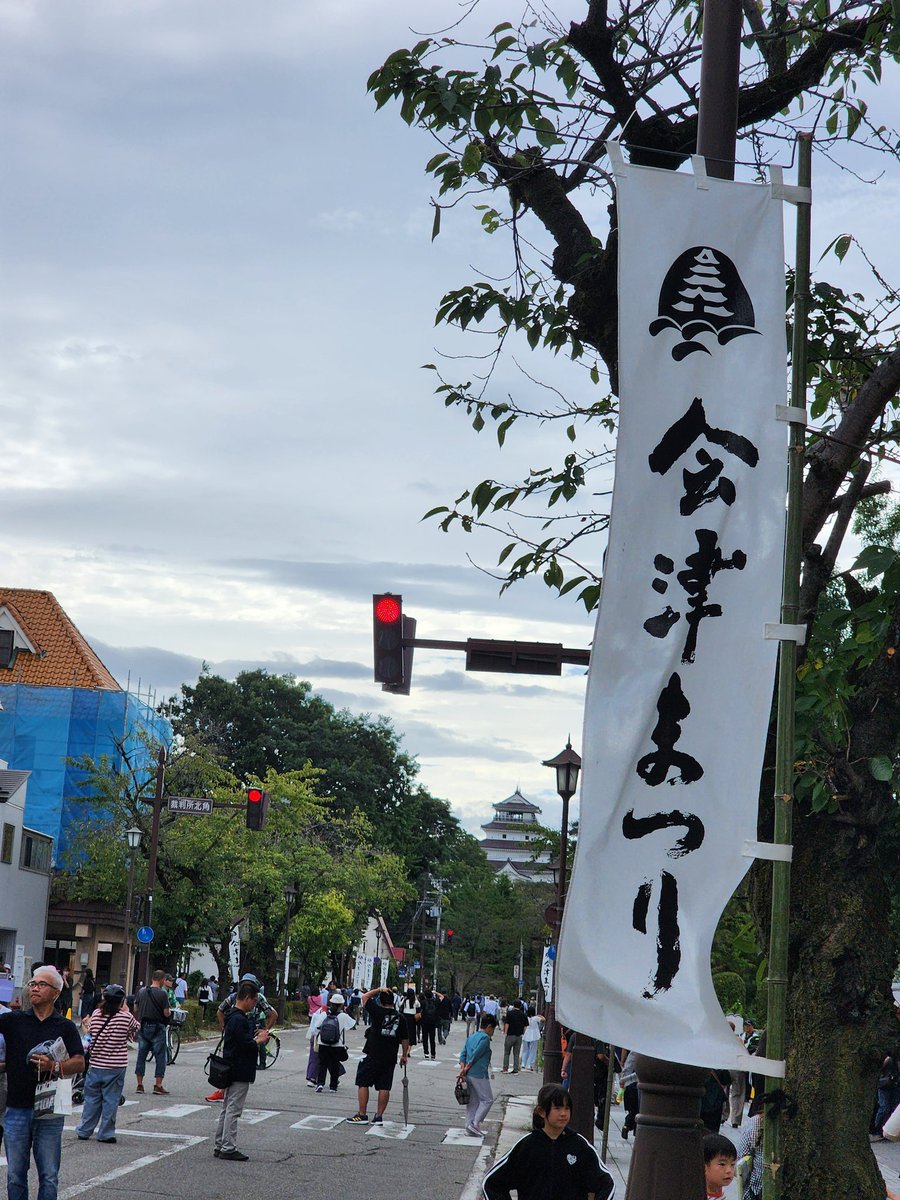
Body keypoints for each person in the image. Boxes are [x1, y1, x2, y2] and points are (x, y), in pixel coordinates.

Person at [0, 965, 86, 1200]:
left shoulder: (65, 1026)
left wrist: (54, 1066)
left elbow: (80, 1062)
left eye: (41, 984)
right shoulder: (13, 1020)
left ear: (56, 992)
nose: (34, 988)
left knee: (49, 1174)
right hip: (17, 1107)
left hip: (50, 1109)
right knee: (15, 1174)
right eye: (32, 984)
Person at [483, 1083, 615, 1200]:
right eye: (557, 1108)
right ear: (541, 1111)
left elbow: (607, 1184)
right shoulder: (527, 1146)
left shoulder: (580, 1146)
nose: (563, 1113)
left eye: (567, 1108)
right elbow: (491, 1183)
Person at [75, 983, 140, 1143]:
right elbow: (136, 1028)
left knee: (91, 1099)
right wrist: (126, 1009)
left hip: (96, 1064)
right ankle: (106, 1133)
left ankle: (84, 1130)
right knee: (110, 1100)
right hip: (116, 1066)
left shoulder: (96, 1014)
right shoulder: (125, 1017)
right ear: (121, 1001)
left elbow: (89, 1036)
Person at [213, 980, 270, 1161]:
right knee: (233, 1109)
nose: (254, 1006)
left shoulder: (232, 1016)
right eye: (254, 1001)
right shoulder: (239, 1019)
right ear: (246, 998)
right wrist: (259, 1040)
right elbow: (244, 1045)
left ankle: (220, 1143)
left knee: (227, 1107)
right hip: (239, 1068)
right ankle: (228, 1147)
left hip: (230, 1066)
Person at [207, 973, 276, 1101]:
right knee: (230, 1058)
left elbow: (273, 1014)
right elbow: (220, 1010)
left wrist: (265, 1029)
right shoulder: (234, 997)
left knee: (247, 1052)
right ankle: (224, 1089)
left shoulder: (258, 998)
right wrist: (225, 1027)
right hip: (236, 1026)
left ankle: (261, 1063)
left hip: (251, 1028)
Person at [346, 986, 410, 1125]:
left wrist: (379, 989)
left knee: (363, 1081)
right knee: (384, 1086)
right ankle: (379, 1116)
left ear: (380, 1001)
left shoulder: (376, 1011)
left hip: (373, 1052)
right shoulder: (401, 1017)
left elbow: (365, 997)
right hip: (390, 1055)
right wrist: (404, 1055)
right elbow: (405, 1039)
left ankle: (362, 1114)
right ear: (393, 1001)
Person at [457, 1012, 497, 1138]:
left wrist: (463, 1068)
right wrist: (468, 1065)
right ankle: (475, 1123)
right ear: (489, 1026)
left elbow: (463, 1054)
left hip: (468, 1073)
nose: (493, 1032)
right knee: (487, 1099)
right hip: (478, 1072)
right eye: (493, 1029)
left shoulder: (472, 1036)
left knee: (473, 1101)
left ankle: (469, 1126)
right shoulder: (484, 1038)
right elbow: (478, 1053)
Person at [307, 992, 355, 1093]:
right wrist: (347, 1010)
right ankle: (333, 1087)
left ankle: (320, 1084)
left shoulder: (324, 1014)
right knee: (334, 1065)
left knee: (323, 1064)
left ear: (331, 1003)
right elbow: (352, 1023)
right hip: (337, 1044)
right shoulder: (343, 1016)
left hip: (323, 1043)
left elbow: (317, 1026)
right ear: (341, 1005)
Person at [134, 969, 172, 1095]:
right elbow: (166, 1013)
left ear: (152, 979)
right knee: (160, 1056)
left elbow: (135, 1008)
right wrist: (170, 1012)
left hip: (143, 1026)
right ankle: (158, 1085)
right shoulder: (163, 994)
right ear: (162, 980)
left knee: (141, 1056)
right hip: (157, 1027)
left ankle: (139, 1084)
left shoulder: (141, 991)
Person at [703, 1132, 737, 1199]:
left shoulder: (719, 1192)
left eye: (732, 1164)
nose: (729, 1170)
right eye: (722, 1164)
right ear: (704, 1167)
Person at [502, 999, 528, 1074]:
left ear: (513, 1005)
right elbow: (526, 1026)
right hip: (519, 1036)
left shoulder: (510, 1013)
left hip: (510, 1035)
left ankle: (505, 1068)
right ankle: (515, 1069)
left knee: (507, 1052)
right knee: (516, 1054)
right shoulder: (523, 1014)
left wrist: (505, 1032)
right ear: (520, 1006)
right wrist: (522, 1033)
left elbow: (507, 1024)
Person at [419, 988, 440, 1058]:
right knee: (432, 1039)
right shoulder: (435, 1002)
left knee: (425, 1038)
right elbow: (442, 997)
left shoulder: (423, 1002)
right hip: (433, 1023)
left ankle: (426, 1053)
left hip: (424, 1022)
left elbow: (420, 1012)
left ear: (425, 995)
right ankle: (433, 1054)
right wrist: (436, 992)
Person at [521, 1006, 543, 1072]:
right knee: (533, 1050)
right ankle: (530, 1064)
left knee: (525, 1050)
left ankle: (523, 1063)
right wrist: (540, 1015)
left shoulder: (526, 1017)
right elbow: (544, 1019)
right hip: (534, 1035)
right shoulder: (536, 1018)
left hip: (526, 1034)